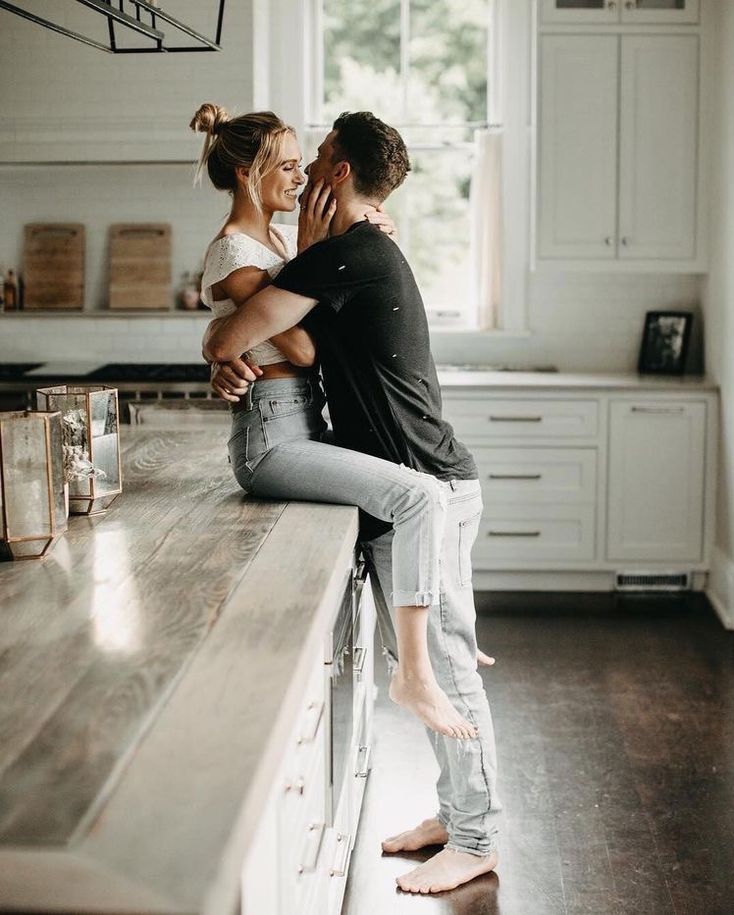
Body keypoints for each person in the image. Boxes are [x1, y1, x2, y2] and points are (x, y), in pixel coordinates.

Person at [203, 110, 501, 895]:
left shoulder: (344, 255)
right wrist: (227, 350)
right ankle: (455, 814)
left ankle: (475, 838)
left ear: (337, 172)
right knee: (441, 660)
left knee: (444, 669)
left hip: (427, 482)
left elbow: (240, 332)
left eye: (316, 157)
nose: (304, 173)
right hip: (416, 476)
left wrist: (219, 349)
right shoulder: (352, 251)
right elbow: (251, 336)